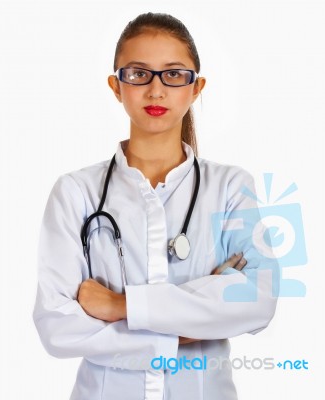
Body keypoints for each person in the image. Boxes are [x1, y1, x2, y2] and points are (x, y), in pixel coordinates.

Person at [33, 12, 279, 400]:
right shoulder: (75, 192)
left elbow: (258, 300)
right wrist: (189, 324)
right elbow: (57, 327)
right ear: (117, 86)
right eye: (138, 73)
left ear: (195, 88)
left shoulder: (231, 187)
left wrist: (118, 306)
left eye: (174, 74)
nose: (156, 90)